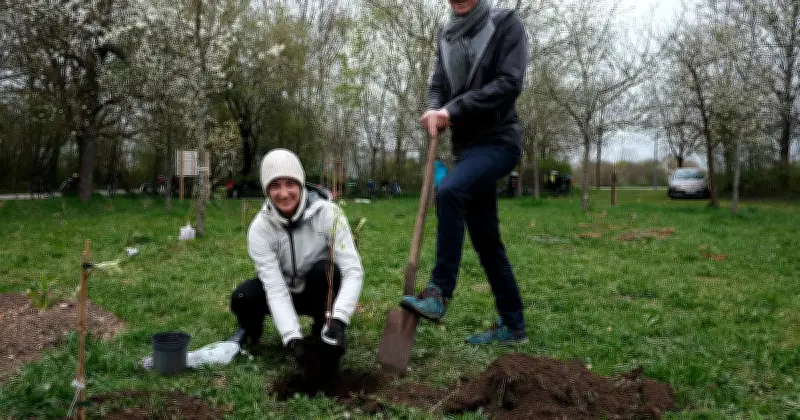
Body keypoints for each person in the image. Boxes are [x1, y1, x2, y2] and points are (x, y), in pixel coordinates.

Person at [401, 0, 529, 345]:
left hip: (499, 142)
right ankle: (514, 327)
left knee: (451, 190)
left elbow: (509, 82)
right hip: (468, 150)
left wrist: (453, 110)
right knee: (487, 241)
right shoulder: (446, 34)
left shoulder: (505, 25)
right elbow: (438, 84)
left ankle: (439, 293)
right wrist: (433, 109)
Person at [230, 148, 364, 362]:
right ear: (266, 190)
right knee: (243, 297)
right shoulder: (260, 229)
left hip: (316, 290)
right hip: (284, 289)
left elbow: (352, 271)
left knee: (327, 271)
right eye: (275, 186)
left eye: (290, 184)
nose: (283, 194)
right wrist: (292, 338)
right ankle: (250, 330)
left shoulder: (329, 214)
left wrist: (339, 320)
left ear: (301, 184)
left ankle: (325, 329)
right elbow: (274, 287)